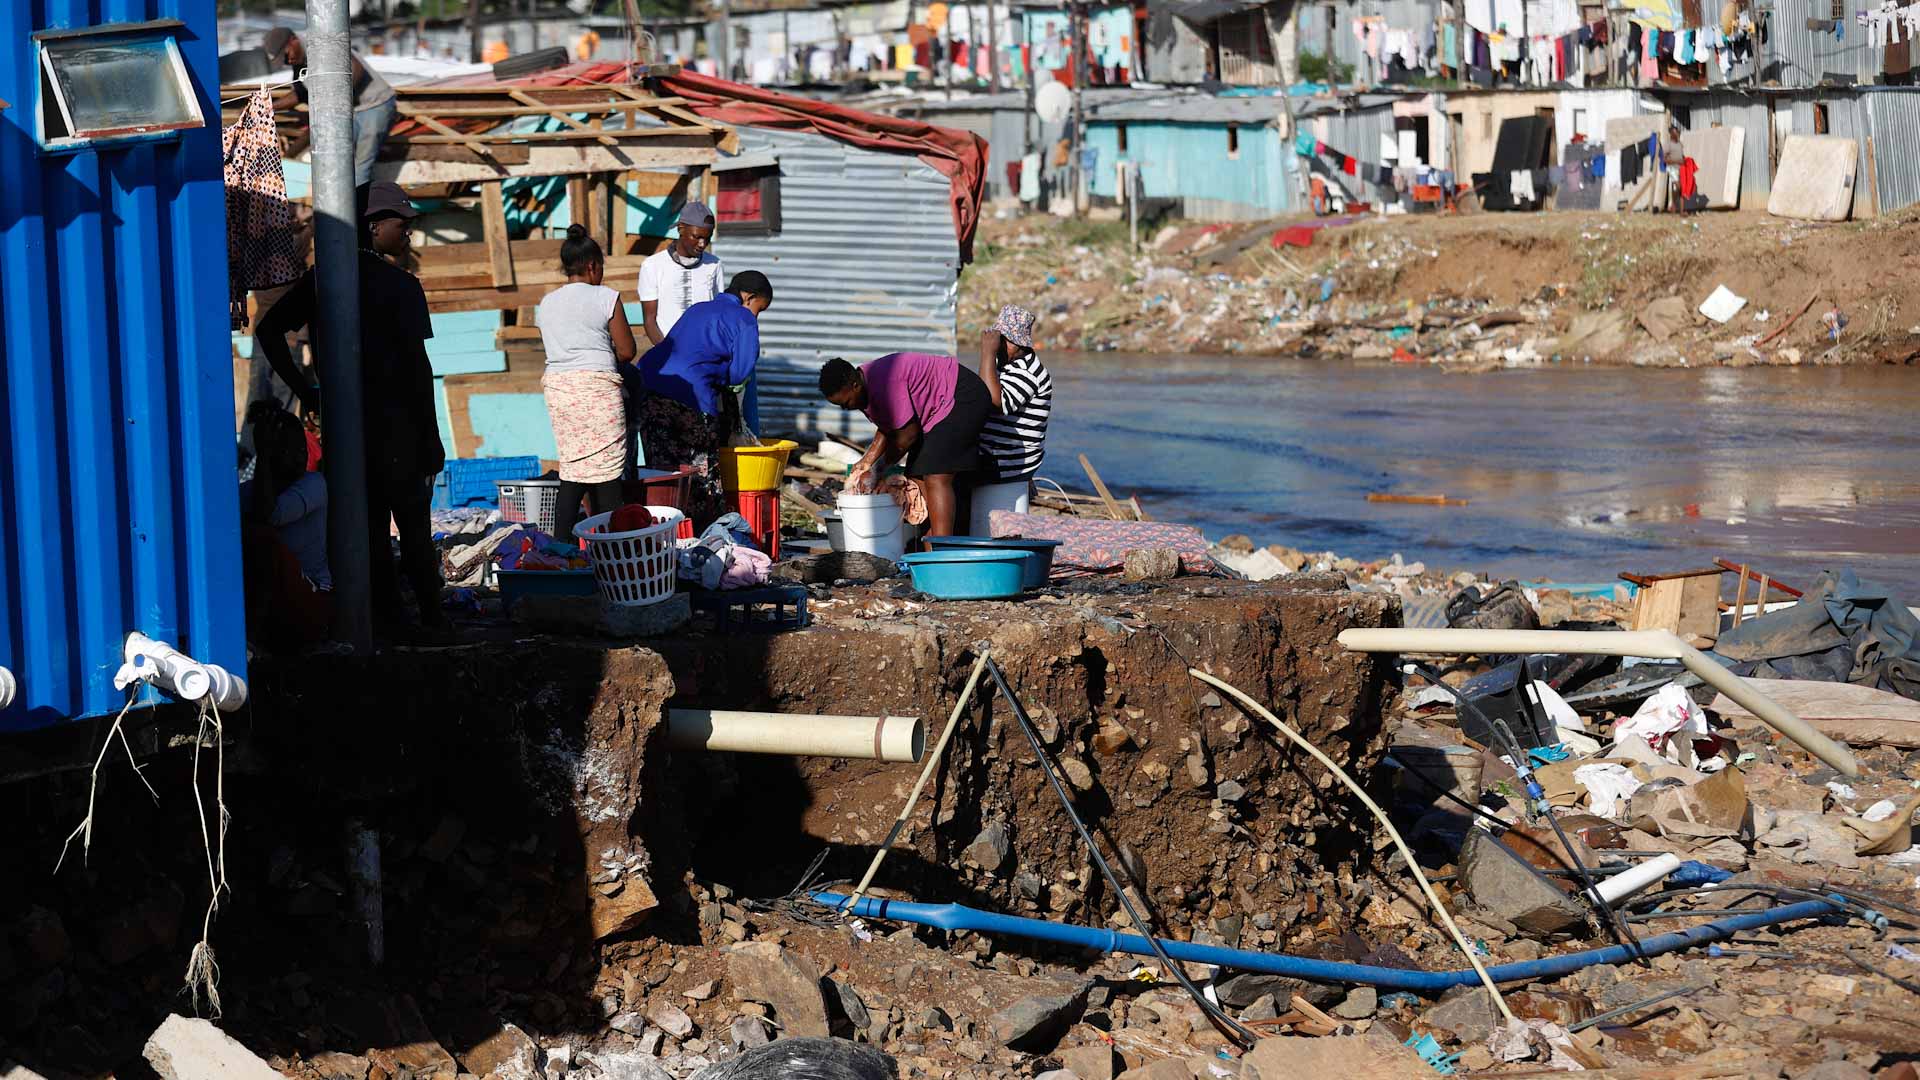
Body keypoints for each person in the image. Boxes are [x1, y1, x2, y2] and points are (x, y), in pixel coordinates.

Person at [257, 181, 448, 634]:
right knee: (415, 529)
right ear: (373, 226)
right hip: (398, 428)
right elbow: (418, 372)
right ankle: (435, 621)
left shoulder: (324, 280)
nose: (408, 235)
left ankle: (387, 623)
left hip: (348, 429)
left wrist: (307, 390)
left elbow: (268, 330)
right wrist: (432, 438)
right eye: (402, 226)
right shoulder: (401, 286)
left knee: (369, 531)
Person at [635, 270, 773, 526]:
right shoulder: (743, 318)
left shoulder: (697, 309)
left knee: (664, 476)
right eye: (759, 308)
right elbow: (739, 374)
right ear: (748, 297)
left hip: (650, 390)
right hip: (692, 400)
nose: (757, 315)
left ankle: (664, 538)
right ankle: (702, 539)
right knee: (700, 477)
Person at [818, 352, 991, 545]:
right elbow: (888, 426)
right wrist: (866, 462)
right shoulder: (865, 388)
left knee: (935, 474)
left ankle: (943, 550)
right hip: (935, 412)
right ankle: (930, 553)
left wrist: (877, 470)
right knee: (916, 478)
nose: (846, 408)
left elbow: (906, 436)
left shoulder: (884, 382)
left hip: (961, 396)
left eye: (846, 402)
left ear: (855, 385)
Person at [536, 224, 639, 542]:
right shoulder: (606, 297)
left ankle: (560, 549)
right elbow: (627, 350)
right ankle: (617, 555)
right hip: (597, 392)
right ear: (593, 266)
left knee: (572, 470)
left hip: (559, 392)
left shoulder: (547, 303)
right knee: (607, 473)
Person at [241, 403, 333, 651]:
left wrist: (264, 458)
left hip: (312, 600)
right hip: (279, 603)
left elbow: (269, 515)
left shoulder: (314, 484)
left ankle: (251, 645)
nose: (300, 456)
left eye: (302, 448)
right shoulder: (252, 490)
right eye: (288, 449)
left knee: (263, 539)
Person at [263, 27, 397, 186]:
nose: (287, 61)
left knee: (360, 167)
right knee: (336, 160)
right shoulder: (299, 61)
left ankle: (357, 209)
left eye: (286, 55)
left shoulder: (321, 46)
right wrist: (267, 107)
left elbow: (356, 70)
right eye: (282, 61)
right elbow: (300, 93)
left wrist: (332, 100)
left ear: (293, 40)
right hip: (352, 110)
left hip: (375, 104)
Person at [971, 305, 1053, 535]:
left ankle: (954, 537)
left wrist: (986, 354)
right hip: (996, 453)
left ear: (1017, 344)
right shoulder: (1006, 367)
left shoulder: (1028, 371)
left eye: (1001, 341)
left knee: (948, 475)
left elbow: (997, 403)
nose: (996, 347)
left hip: (1009, 460)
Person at [637, 203, 724, 345]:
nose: (702, 244)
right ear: (681, 229)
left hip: (704, 351)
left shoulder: (714, 264)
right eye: (696, 237)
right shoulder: (653, 265)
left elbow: (718, 313)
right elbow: (649, 320)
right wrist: (665, 353)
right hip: (668, 353)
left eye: (707, 238)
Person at [1660, 121, 1687, 214]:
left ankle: (1681, 211)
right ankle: (1673, 206)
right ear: (1671, 134)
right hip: (1672, 169)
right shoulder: (1668, 144)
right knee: (1679, 188)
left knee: (1681, 188)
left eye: (1677, 132)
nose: (1677, 134)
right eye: (1675, 132)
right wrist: (1677, 161)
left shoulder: (1679, 144)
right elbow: (1665, 160)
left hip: (1680, 168)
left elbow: (1681, 156)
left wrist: (1684, 161)